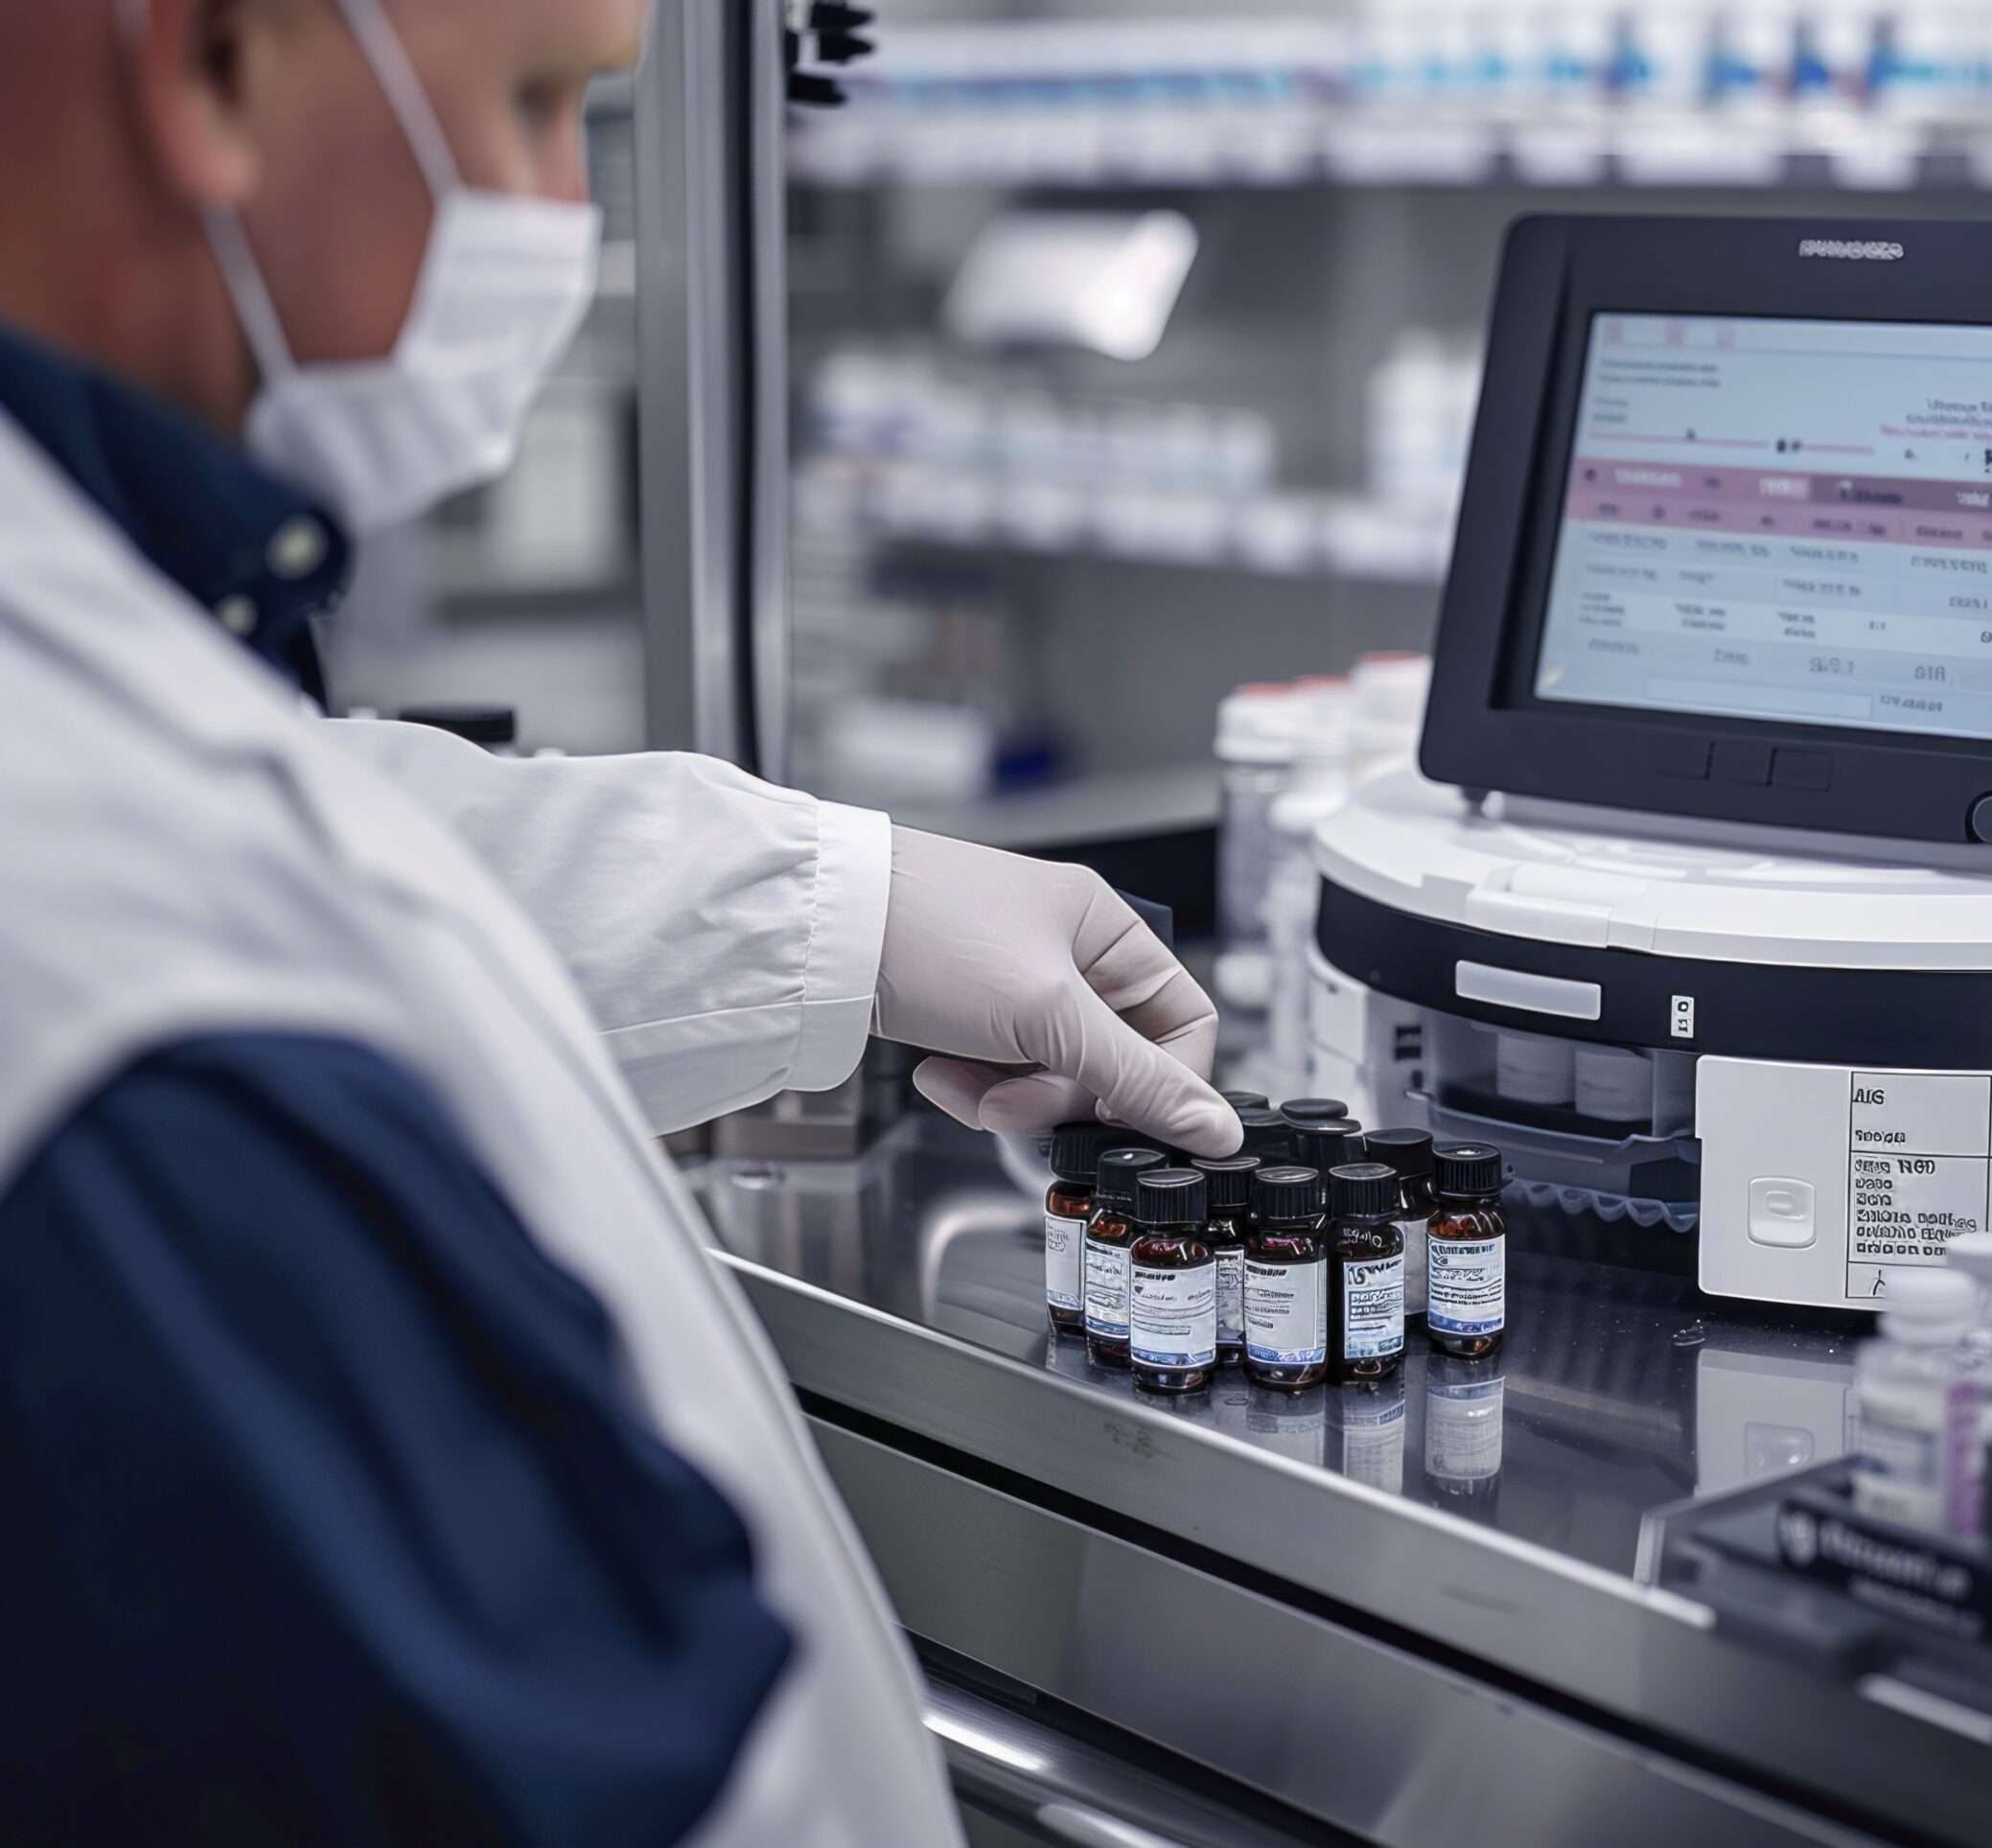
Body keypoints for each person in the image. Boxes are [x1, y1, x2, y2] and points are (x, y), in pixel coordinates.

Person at [0, 0, 1240, 1840]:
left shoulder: (104, 627)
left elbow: (318, 816)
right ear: (213, 67)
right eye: (532, 106)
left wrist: (861, 902)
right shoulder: (155, 1099)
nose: (563, 220)